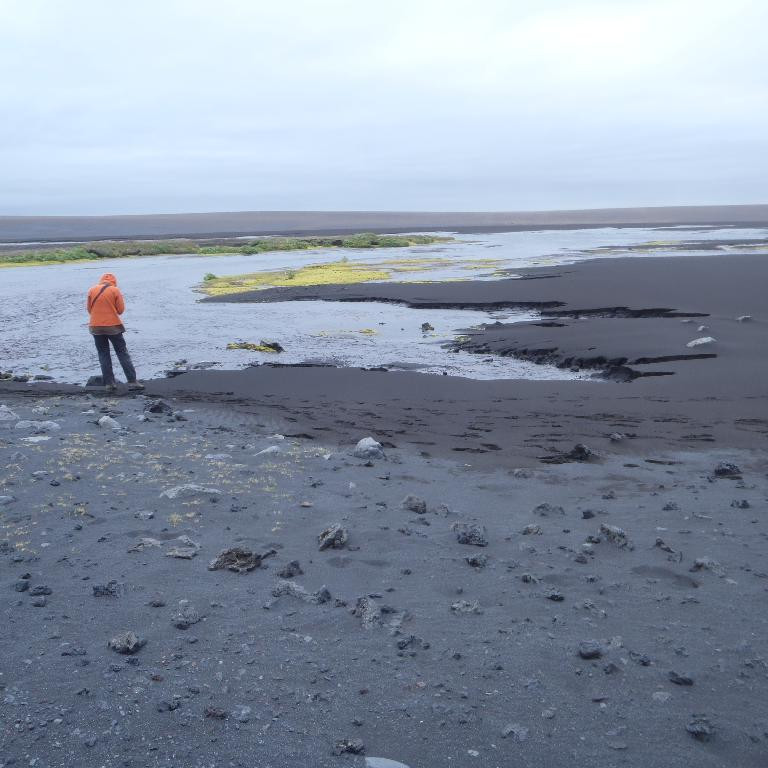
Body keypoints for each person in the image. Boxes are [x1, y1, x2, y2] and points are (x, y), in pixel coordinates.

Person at [86, 272, 144, 393]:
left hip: (95, 326)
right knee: (122, 352)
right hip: (113, 326)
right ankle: (132, 381)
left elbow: (89, 310)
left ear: (101, 280)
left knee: (103, 354)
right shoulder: (115, 290)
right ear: (114, 282)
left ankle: (109, 384)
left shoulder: (91, 290)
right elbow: (120, 310)